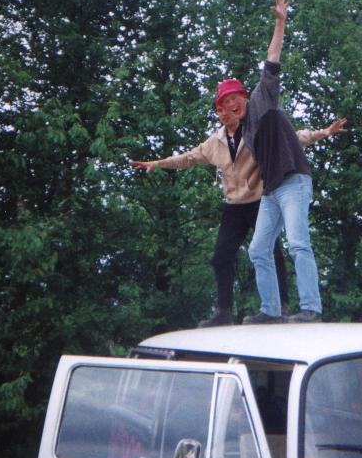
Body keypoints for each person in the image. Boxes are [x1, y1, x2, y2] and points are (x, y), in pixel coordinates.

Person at [130, 96, 346, 326]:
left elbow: (292, 138)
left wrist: (323, 133)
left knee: (273, 251)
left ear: (238, 110)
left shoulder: (254, 131)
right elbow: (189, 158)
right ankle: (223, 311)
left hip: (259, 199)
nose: (225, 114)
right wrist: (158, 163)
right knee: (221, 256)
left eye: (229, 109)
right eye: (220, 111)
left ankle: (281, 306)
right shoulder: (216, 142)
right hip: (234, 204)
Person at [218, 0, 324, 324]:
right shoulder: (243, 132)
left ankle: (311, 308)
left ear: (244, 97)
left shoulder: (262, 99)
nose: (232, 106)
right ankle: (271, 310)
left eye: (234, 99)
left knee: (298, 243)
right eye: (225, 105)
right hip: (271, 190)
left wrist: (280, 22)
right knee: (257, 248)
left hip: (293, 181)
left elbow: (273, 57)